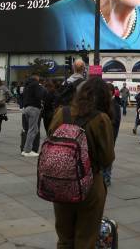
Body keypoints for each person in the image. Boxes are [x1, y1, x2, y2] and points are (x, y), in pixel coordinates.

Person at [48, 77, 115, 248]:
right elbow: (107, 158)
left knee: (64, 238)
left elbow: (50, 137)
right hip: (90, 184)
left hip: (61, 182)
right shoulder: (101, 119)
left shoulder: (62, 113)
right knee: (86, 238)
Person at [103, 82, 121, 187]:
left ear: (112, 92)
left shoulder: (115, 105)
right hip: (102, 133)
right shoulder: (102, 104)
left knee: (108, 156)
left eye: (109, 91)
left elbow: (116, 122)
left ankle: (107, 177)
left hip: (110, 134)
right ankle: (102, 175)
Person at [22, 75, 45, 157]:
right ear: (36, 79)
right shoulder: (36, 85)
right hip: (34, 109)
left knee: (31, 129)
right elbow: (40, 95)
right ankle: (27, 150)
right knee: (32, 130)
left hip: (26, 109)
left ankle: (25, 149)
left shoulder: (27, 86)